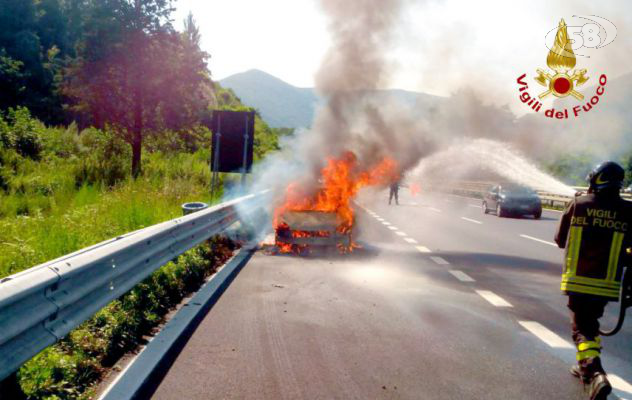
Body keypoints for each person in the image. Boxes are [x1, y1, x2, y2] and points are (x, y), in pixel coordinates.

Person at [555, 161, 632, 400]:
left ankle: (594, 372)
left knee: (582, 331)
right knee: (590, 326)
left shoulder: (578, 204)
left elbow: (559, 239)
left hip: (577, 281)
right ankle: (583, 367)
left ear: (594, 180)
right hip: (607, 284)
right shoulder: (628, 211)